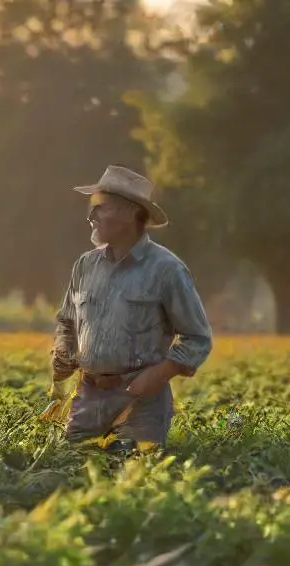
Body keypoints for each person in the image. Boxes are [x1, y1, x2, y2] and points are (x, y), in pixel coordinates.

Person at [47, 165, 213, 454]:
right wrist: (63, 351)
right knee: (71, 476)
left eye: (101, 208)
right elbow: (67, 320)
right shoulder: (85, 266)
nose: (91, 216)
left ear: (129, 213)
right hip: (88, 398)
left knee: (132, 481)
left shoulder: (167, 270)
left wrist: (161, 372)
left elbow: (198, 338)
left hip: (141, 404)